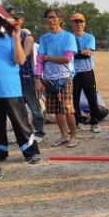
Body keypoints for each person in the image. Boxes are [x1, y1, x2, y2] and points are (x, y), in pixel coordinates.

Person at [0, 9, 41, 180]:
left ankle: (30, 152)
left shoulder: (9, 40)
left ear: (0, 23)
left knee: (21, 123)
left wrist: (15, 38)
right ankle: (0, 152)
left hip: (10, 89)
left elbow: (20, 60)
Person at [35, 8, 79, 148]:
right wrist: (38, 78)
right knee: (57, 110)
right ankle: (64, 135)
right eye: (48, 18)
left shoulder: (68, 37)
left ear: (60, 19)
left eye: (53, 17)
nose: (50, 20)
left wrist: (47, 57)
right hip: (49, 78)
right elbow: (39, 60)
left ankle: (74, 136)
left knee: (67, 108)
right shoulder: (44, 38)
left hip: (64, 77)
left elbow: (67, 58)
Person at [6, 7, 46, 142]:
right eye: (11, 19)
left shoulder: (26, 35)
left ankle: (39, 132)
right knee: (17, 110)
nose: (14, 21)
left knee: (34, 107)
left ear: (21, 20)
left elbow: (23, 56)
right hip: (10, 80)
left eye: (17, 19)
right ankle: (23, 134)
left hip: (25, 77)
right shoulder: (3, 35)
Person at [70, 13, 103, 133]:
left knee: (92, 98)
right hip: (73, 73)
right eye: (75, 22)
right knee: (74, 99)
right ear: (71, 24)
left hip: (87, 72)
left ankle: (95, 122)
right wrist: (80, 52)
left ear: (84, 24)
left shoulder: (89, 37)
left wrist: (74, 53)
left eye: (80, 21)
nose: (78, 24)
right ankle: (78, 122)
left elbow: (88, 53)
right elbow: (67, 54)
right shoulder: (69, 37)